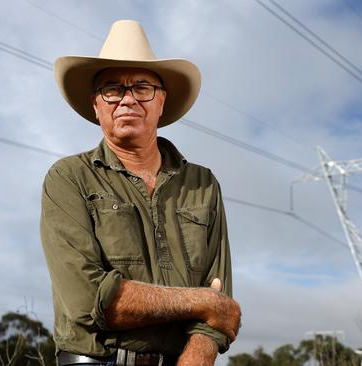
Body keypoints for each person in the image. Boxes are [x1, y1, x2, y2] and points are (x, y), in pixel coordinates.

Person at [41, 20, 241, 366]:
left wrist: (199, 345)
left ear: (161, 101)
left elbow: (219, 310)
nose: (128, 99)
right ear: (96, 105)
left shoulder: (203, 184)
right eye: (113, 89)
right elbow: (89, 301)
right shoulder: (69, 177)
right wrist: (201, 302)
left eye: (142, 87)